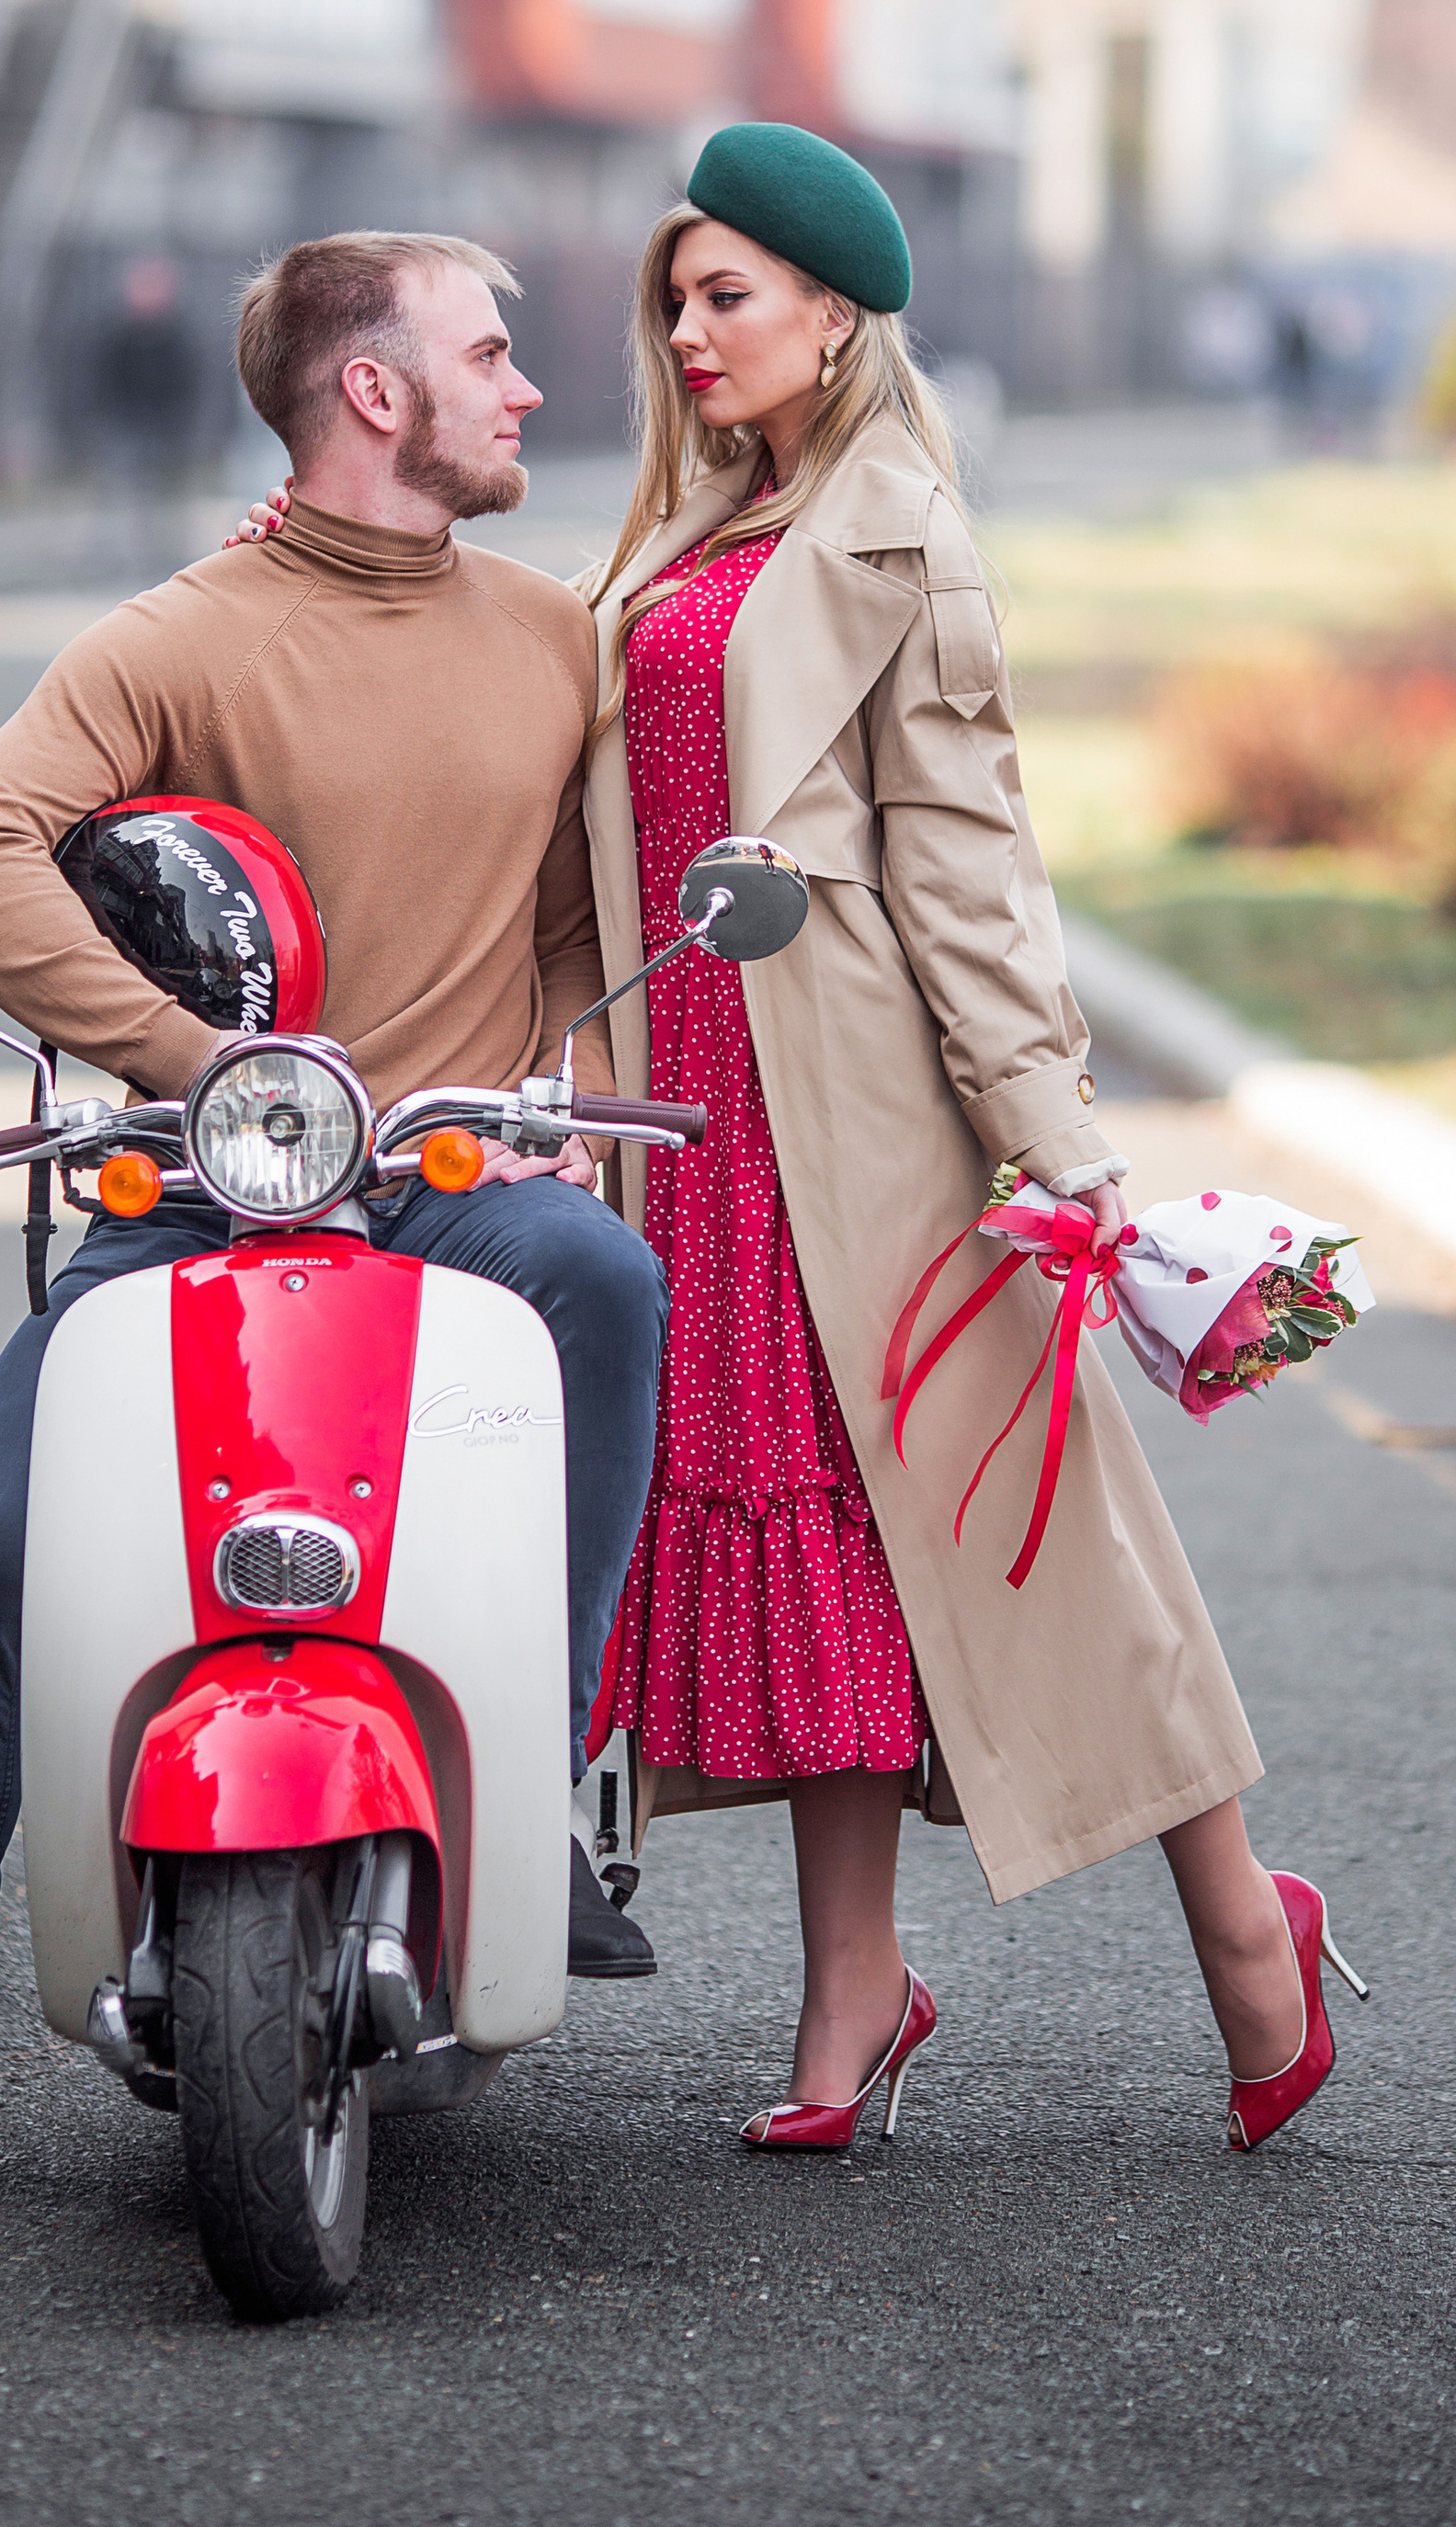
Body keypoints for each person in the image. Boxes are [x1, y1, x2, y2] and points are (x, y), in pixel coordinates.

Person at [0, 232, 667, 2212]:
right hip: (203, 1199)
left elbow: (561, 927)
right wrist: (196, 1060)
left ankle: (517, 1796)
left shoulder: (551, 636)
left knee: (602, 1275)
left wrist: (544, 1103)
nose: (527, 387)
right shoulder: (174, 639)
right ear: (375, 394)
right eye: (489, 353)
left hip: (457, 1200)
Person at [580, 121, 1356, 2157]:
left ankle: (1244, 1936)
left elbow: (967, 868)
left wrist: (1056, 1139)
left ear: (836, 315)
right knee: (820, 1561)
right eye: (673, 297)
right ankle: (855, 1993)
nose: (684, 332)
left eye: (723, 295)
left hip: (868, 1138)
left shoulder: (894, 532)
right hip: (692, 1133)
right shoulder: (676, 536)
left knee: (1046, 1545)